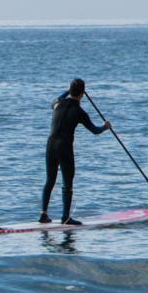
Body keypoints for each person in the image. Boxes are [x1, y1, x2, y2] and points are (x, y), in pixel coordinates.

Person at [40, 78, 110, 225]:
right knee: (67, 183)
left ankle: (43, 214)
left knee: (50, 180)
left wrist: (68, 91)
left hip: (50, 145)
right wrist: (105, 127)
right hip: (64, 147)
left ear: (70, 91)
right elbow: (94, 130)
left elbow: (56, 99)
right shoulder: (79, 111)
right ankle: (65, 217)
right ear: (82, 94)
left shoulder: (57, 104)